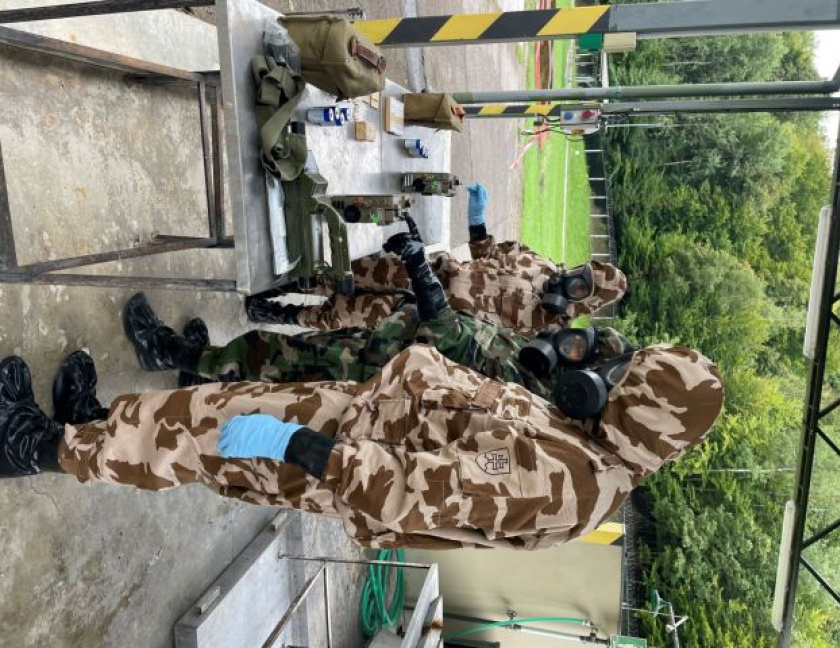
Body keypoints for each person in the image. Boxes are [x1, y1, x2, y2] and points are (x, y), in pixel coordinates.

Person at [0, 335, 723, 550]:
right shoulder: (586, 441)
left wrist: (300, 447)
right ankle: (91, 429)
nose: (604, 376)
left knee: (193, 438)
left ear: (645, 414)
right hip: (347, 422)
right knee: (198, 414)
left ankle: (34, 448)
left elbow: (419, 493)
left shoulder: (574, 480)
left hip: (326, 452)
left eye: (625, 381)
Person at [122, 227, 635, 409]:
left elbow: (456, 340)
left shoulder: (529, 382)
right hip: (391, 340)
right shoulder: (536, 351)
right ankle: (200, 366)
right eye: (580, 340)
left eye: (579, 352)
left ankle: (168, 353)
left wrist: (422, 278)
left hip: (378, 368)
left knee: (268, 358)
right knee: (274, 360)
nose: (569, 344)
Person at [245, 184, 627, 335]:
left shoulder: (550, 330)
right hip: (428, 269)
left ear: (586, 303)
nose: (572, 282)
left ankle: (279, 314)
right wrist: (477, 221)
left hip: (426, 313)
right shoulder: (540, 264)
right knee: (352, 274)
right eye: (581, 274)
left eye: (581, 289)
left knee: (344, 314)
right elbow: (487, 252)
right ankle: (283, 285)